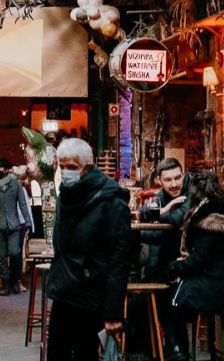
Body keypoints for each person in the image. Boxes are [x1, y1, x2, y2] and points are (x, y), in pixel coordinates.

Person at [45, 138, 132, 361]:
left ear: (88, 167)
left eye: (72, 167)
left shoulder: (111, 201)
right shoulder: (66, 193)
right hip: (64, 290)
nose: (66, 173)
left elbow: (119, 260)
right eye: (62, 166)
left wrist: (113, 312)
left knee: (85, 354)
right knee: (56, 354)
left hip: (91, 295)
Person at [169, 171, 224, 319]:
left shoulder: (206, 219)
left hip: (218, 288)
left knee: (176, 300)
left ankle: (177, 343)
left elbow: (199, 260)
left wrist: (174, 266)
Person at [134, 158, 190, 361]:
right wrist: (164, 210)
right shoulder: (162, 197)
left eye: (177, 178)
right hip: (164, 263)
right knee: (142, 296)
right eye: (168, 180)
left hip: (187, 265)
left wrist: (158, 217)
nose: (174, 184)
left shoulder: (190, 192)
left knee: (169, 300)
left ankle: (175, 351)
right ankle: (158, 351)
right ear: (160, 180)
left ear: (183, 175)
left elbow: (178, 220)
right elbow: (140, 215)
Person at [0, 158, 33, 296]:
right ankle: (6, 283)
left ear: (6, 170)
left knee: (15, 252)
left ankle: (15, 280)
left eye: (1, 168)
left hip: (14, 225)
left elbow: (23, 204)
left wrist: (28, 223)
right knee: (1, 256)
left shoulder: (16, 185)